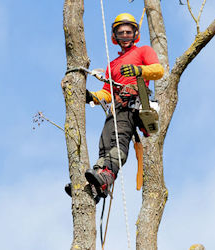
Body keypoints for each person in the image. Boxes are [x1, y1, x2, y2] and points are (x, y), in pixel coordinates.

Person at [84, 13, 164, 199]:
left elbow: (158, 70)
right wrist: (91, 97)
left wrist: (139, 70)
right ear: (115, 37)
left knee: (119, 140)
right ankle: (96, 184)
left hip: (133, 104)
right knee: (104, 142)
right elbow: (107, 93)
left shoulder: (143, 51)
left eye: (129, 32)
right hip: (117, 107)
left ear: (135, 33)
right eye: (122, 33)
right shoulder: (113, 65)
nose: (125, 36)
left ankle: (108, 175)